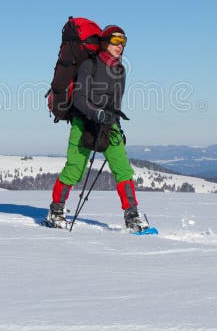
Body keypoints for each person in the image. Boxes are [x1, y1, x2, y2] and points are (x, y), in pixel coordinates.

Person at [45, 25, 149, 232]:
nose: (120, 46)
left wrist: (117, 126)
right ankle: (56, 211)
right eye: (115, 41)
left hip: (108, 125)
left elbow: (115, 104)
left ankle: (132, 216)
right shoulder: (89, 65)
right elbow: (79, 99)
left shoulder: (120, 70)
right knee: (75, 170)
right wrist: (97, 113)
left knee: (123, 169)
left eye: (123, 42)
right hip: (83, 123)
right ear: (105, 42)